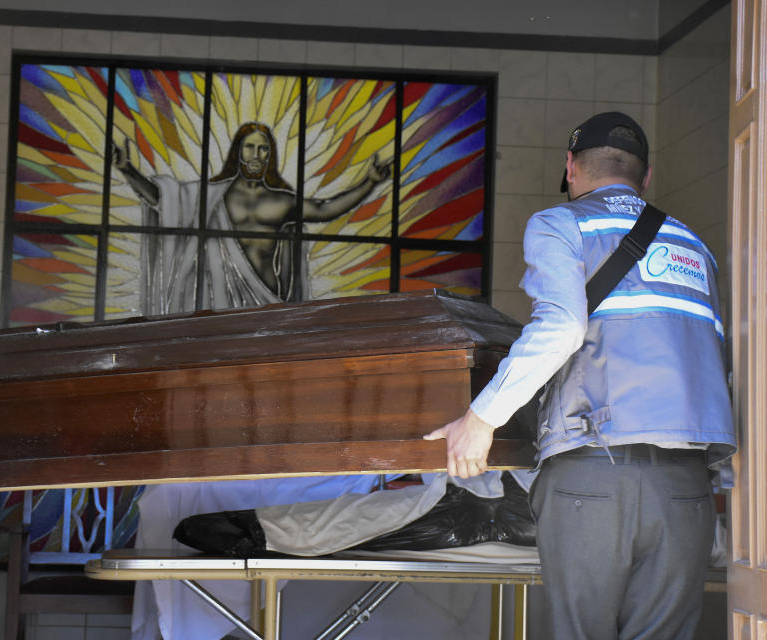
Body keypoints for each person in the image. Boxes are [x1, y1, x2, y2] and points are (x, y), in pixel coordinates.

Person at [424, 111, 736, 639]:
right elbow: (722, 364)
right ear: (647, 175)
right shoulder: (695, 249)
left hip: (592, 475)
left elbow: (564, 325)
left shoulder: (561, 225)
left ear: (570, 167)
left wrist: (482, 417)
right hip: (685, 487)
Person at [112, 122, 391, 313]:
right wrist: (127, 170)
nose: (256, 154)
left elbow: (324, 209)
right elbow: (164, 200)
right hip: (215, 309)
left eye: (263, 148)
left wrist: (370, 182)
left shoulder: (281, 202)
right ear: (238, 152)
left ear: (270, 155)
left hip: (265, 305)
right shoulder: (209, 197)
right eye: (250, 147)